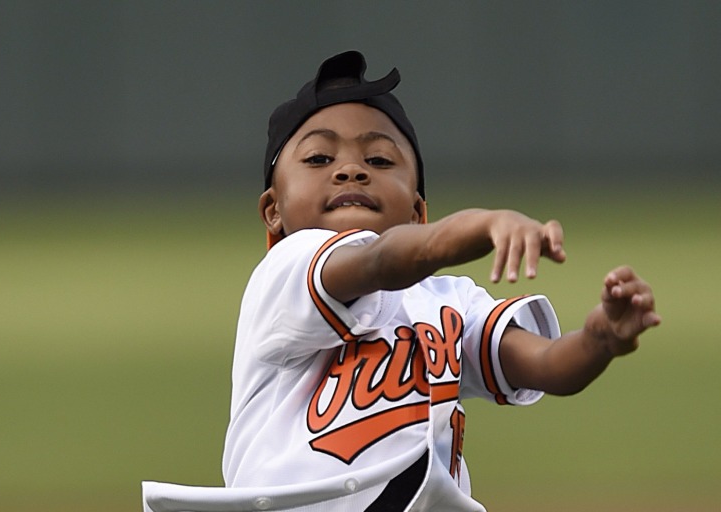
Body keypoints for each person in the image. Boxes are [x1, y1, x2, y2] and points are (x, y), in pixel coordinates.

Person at [142, 50, 660, 512]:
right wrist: (484, 224)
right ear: (272, 212)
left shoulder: (449, 301)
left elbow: (545, 366)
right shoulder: (288, 273)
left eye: (379, 159)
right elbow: (383, 261)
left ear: (418, 211)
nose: (350, 170)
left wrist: (599, 340)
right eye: (320, 158)